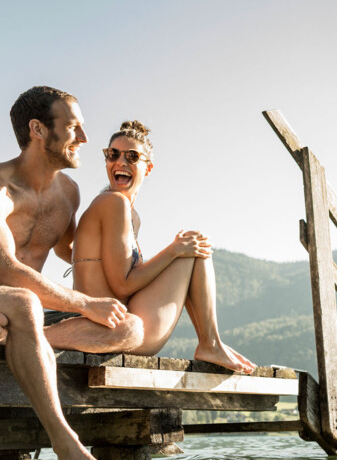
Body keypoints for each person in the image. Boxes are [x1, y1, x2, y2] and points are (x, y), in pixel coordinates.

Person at [0, 86, 144, 460]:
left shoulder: (70, 194)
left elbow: (74, 253)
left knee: (130, 328)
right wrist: (85, 303)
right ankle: (66, 443)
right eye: (74, 127)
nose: (85, 138)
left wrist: (126, 221)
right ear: (38, 130)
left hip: (20, 314)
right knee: (23, 299)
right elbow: (3, 271)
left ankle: (15, 339)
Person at [72, 120, 255, 373]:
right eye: (112, 154)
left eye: (132, 156)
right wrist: (173, 251)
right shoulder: (112, 203)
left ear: (148, 168)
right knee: (191, 244)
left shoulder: (130, 214)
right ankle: (210, 343)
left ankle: (212, 342)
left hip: (122, 323)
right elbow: (122, 285)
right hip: (111, 331)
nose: (120, 162)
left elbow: (123, 284)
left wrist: (177, 251)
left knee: (192, 243)